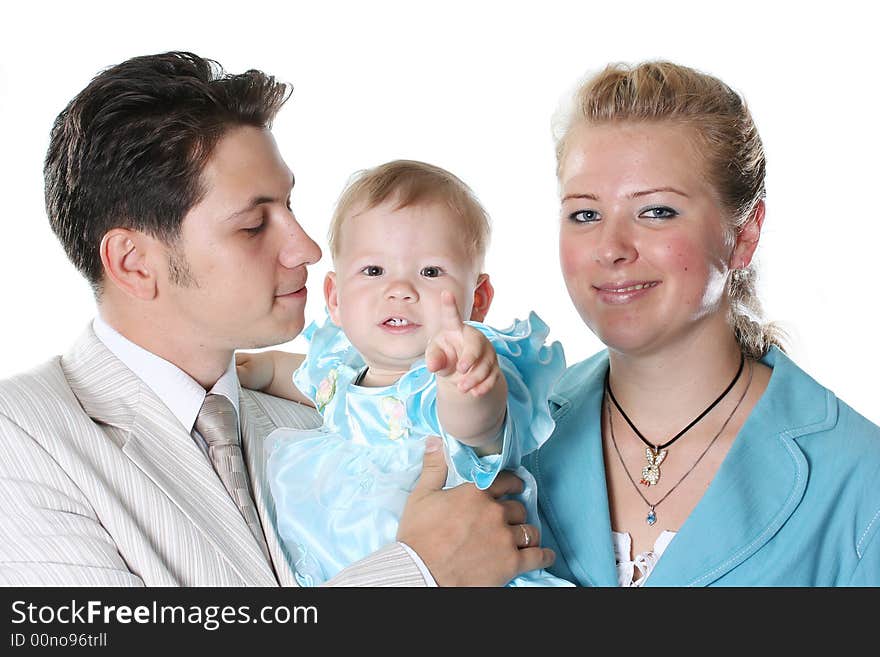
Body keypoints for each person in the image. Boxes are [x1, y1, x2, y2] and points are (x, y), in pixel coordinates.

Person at [0, 51, 554, 586]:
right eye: (252, 225)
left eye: (290, 207)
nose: (309, 249)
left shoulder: (325, 414)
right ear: (134, 263)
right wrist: (420, 573)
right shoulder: (24, 435)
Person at [527, 60, 880, 586]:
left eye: (657, 211)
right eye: (584, 214)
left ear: (743, 234)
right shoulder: (506, 438)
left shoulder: (860, 483)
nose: (610, 248)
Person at [237, 160, 571, 586]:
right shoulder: (341, 373)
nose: (400, 289)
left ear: (479, 297)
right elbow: (302, 378)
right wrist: (257, 368)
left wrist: (468, 384)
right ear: (336, 299)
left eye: (430, 272)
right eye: (373, 271)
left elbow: (476, 427)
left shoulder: (450, 382)